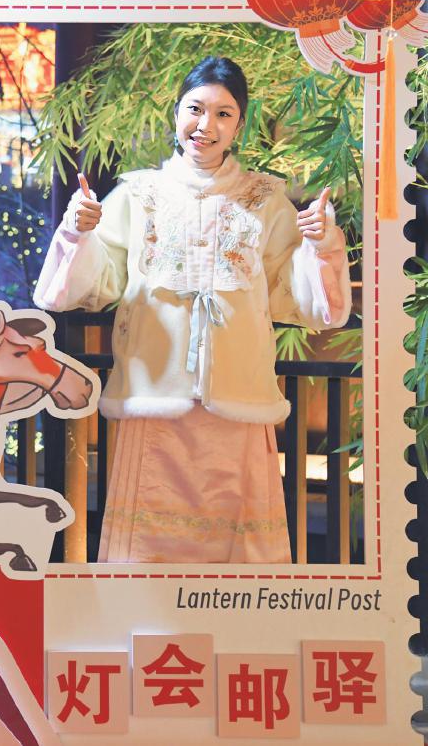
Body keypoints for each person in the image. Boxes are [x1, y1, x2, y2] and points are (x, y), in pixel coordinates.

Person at [34, 56, 351, 564]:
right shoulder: (138, 194)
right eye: (195, 109)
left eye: (224, 114)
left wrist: (321, 244)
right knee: (147, 553)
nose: (206, 125)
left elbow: (299, 297)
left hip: (239, 396)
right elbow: (91, 285)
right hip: (154, 395)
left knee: (241, 554)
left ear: (239, 126)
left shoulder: (265, 198)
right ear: (176, 114)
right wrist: (79, 231)